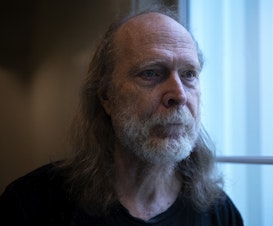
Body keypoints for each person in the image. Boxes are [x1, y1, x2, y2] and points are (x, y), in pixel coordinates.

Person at [0, 6, 243, 226]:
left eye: (189, 74)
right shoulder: (30, 205)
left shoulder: (219, 213)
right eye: (151, 73)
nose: (179, 94)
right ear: (106, 97)